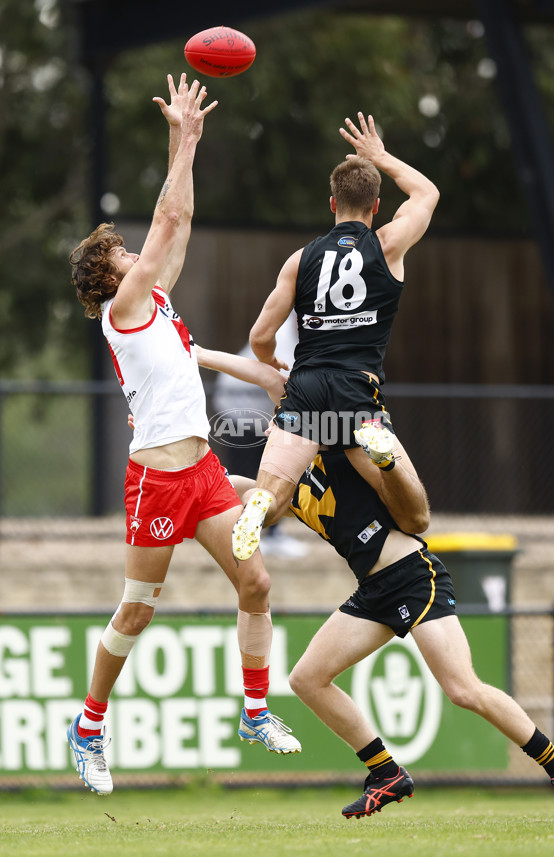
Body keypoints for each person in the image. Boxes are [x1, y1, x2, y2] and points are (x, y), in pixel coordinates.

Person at [196, 347, 554, 824]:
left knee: (463, 689)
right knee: (306, 679)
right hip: (373, 589)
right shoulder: (276, 489)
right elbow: (217, 484)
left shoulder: (333, 444)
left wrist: (197, 353)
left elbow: (267, 374)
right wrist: (180, 455)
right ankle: (384, 772)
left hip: (410, 575)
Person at [67, 74, 300, 797]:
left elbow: (181, 225)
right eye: (121, 257)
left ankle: (256, 709)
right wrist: (188, 140)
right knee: (137, 607)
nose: (135, 254)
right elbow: (167, 222)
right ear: (109, 281)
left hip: (200, 472)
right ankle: (89, 726)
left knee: (256, 578)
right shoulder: (124, 309)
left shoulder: (154, 300)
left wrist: (180, 139)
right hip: (158, 480)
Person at [232, 111, 440, 562]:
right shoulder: (388, 243)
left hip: (306, 391)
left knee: (272, 500)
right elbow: (427, 193)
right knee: (415, 519)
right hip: (355, 394)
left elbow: (260, 334)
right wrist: (380, 156)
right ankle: (383, 456)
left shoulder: (300, 260)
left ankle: (259, 505)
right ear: (377, 206)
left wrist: (270, 363)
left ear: (332, 204)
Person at [212, 313, 307, 558]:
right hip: (240, 409)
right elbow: (291, 383)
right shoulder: (284, 337)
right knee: (249, 474)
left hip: (264, 411)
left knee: (271, 477)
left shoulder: (302, 336)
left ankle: (270, 535)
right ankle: (236, 531)